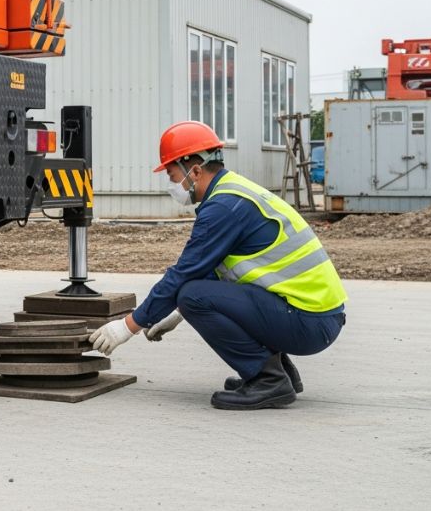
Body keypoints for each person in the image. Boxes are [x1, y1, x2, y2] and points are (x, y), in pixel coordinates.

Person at [87, 121, 347, 410]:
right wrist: (174, 312)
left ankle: (268, 379)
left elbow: (184, 273)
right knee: (190, 295)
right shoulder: (234, 192)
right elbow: (214, 270)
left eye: (173, 175)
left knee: (192, 295)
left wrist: (128, 326)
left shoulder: (223, 207)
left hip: (308, 323)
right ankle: (281, 372)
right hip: (314, 317)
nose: (173, 185)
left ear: (195, 170)